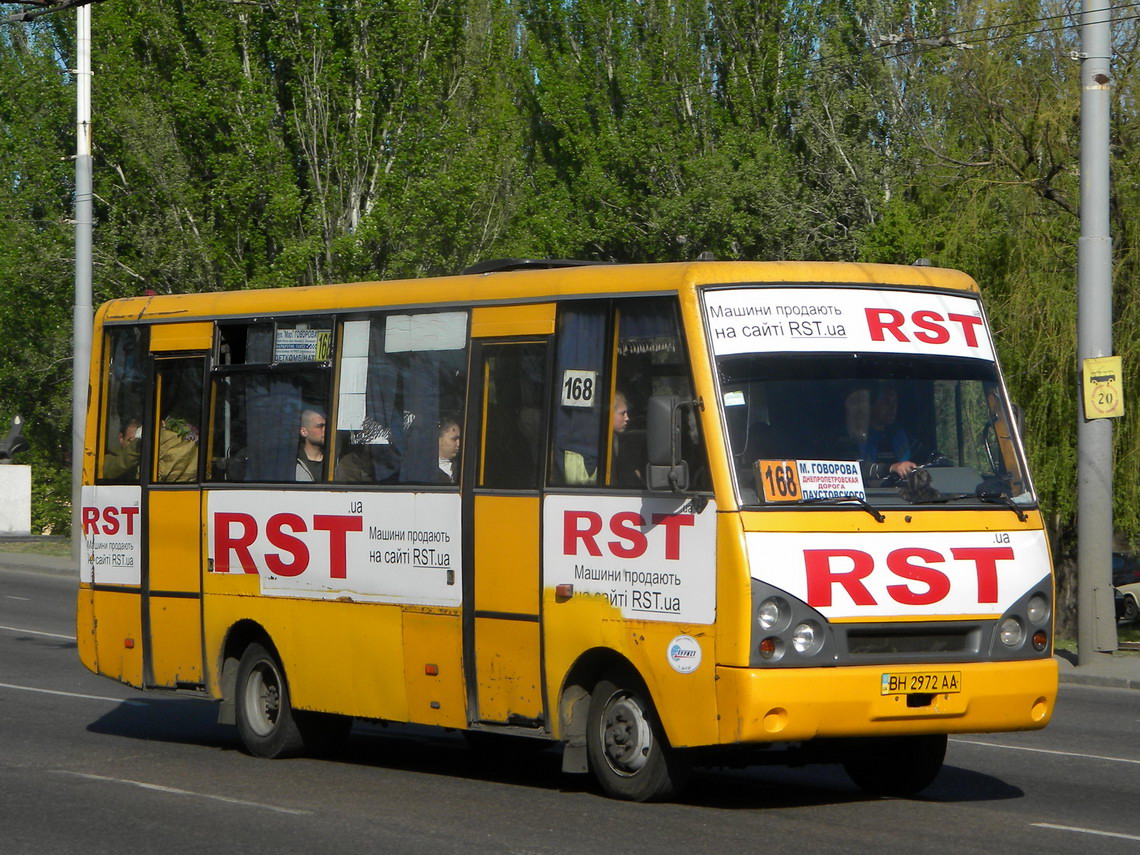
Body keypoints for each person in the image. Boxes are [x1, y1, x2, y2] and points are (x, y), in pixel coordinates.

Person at [864, 384, 916, 478]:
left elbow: (926, 456)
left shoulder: (900, 436)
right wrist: (891, 468)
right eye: (886, 402)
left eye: (894, 402)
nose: (892, 407)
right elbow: (855, 471)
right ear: (871, 405)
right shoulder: (854, 437)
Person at [296, 409, 326, 481]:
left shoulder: (335, 462)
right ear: (304, 432)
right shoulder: (293, 463)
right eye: (319, 426)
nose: (325, 430)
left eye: (326, 426)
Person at [436, 418, 461, 483]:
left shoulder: (462, 468)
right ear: (439, 440)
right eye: (454, 439)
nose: (459, 444)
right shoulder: (424, 471)